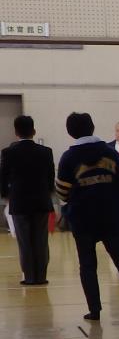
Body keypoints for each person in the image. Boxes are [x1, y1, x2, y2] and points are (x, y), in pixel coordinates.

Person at [56, 112, 119, 320]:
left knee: (88, 266)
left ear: (70, 132)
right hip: (113, 217)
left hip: (83, 220)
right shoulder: (111, 154)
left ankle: (95, 310)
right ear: (92, 127)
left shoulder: (68, 157)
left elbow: (62, 192)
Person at [1, 115, 55, 285]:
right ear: (34, 131)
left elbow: (3, 177)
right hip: (41, 201)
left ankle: (30, 277)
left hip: (19, 202)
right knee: (41, 241)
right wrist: (48, 193)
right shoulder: (46, 152)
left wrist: (6, 195)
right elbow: (50, 177)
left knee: (24, 242)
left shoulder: (8, 152)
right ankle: (41, 276)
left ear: (16, 132)